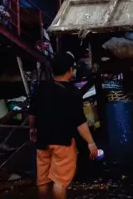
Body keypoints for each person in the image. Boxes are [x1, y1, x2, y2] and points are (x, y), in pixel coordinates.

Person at [29, 52, 98, 199]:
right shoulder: (72, 92)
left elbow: (32, 114)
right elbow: (80, 122)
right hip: (63, 143)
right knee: (59, 182)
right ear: (69, 70)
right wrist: (91, 143)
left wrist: (33, 129)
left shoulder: (41, 88)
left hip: (42, 141)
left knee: (43, 181)